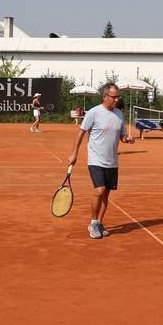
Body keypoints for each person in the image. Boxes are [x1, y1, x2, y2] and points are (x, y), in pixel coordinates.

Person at [67, 83, 135, 239]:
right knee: (99, 191)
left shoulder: (119, 114)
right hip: (96, 160)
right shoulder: (94, 113)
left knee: (106, 194)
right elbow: (80, 133)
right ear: (105, 96)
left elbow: (122, 136)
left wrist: (127, 139)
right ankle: (93, 223)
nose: (117, 99)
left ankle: (99, 222)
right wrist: (74, 153)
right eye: (114, 97)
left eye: (118, 96)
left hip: (112, 161)